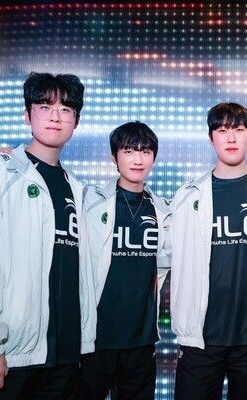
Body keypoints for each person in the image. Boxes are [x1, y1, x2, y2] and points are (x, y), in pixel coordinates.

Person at [0, 72, 96, 399]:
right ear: (27, 115)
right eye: (44, 106)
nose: (55, 116)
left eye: (66, 109)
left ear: (76, 121)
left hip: (63, 357)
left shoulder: (76, 188)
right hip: (5, 357)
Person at [170, 103, 247, 400]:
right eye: (222, 130)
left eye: (238, 129)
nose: (231, 137)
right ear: (211, 138)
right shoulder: (186, 197)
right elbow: (165, 259)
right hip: (200, 337)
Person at [79, 121, 170, 400]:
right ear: (114, 157)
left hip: (141, 341)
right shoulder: (90, 202)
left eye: (145, 151)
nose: (137, 159)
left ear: (154, 157)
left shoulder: (163, 210)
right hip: (96, 339)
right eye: (129, 151)